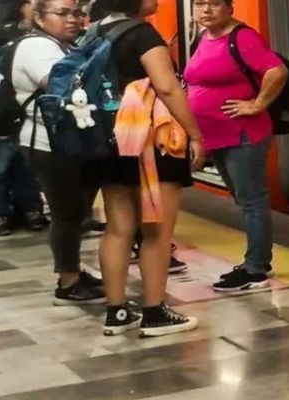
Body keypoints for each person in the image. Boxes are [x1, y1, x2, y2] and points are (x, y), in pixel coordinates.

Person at [91, 0, 205, 338]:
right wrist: (196, 135)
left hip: (109, 142)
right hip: (149, 142)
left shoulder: (96, 33)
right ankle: (154, 312)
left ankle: (118, 312)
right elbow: (167, 87)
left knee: (118, 228)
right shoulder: (142, 33)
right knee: (157, 231)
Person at [184, 0, 285, 291]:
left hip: (242, 134)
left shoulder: (242, 37)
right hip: (215, 134)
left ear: (229, 8)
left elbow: (276, 71)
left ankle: (256, 268)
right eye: (199, 4)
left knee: (252, 200)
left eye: (214, 3)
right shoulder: (204, 37)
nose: (205, 10)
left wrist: (257, 104)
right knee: (244, 199)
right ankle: (255, 260)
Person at [12, 0, 104, 304]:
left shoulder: (62, 45)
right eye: (62, 13)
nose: (72, 20)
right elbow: (64, 86)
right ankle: (68, 282)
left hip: (67, 142)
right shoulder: (36, 47)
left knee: (76, 214)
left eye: (77, 13)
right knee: (66, 215)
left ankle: (73, 269)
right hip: (48, 144)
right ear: (38, 17)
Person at [0, 0, 48, 237]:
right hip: (17, 110)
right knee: (21, 166)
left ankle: (5, 214)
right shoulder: (23, 36)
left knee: (7, 165)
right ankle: (29, 211)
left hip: (7, 111)